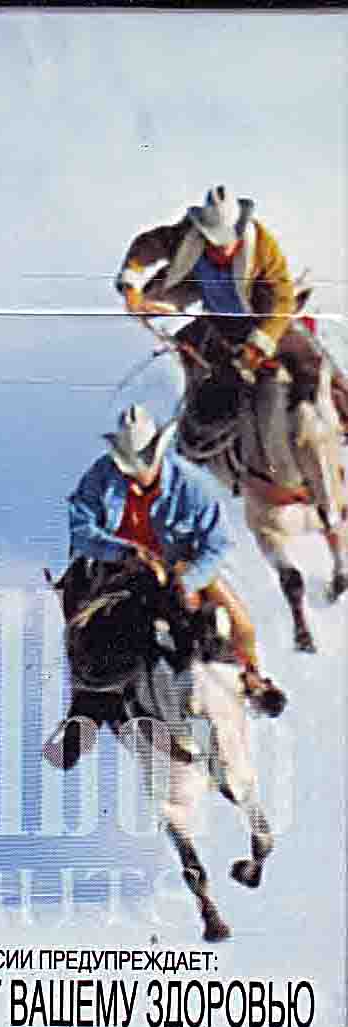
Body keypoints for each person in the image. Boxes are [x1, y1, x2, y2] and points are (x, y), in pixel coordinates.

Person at [66, 403, 286, 709]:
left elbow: (217, 543)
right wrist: (121, 551)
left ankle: (251, 676)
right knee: (83, 617)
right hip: (119, 566)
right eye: (129, 466)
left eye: (144, 463)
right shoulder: (101, 476)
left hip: (180, 566)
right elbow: (80, 527)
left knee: (238, 618)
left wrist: (190, 579)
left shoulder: (193, 484)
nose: (137, 473)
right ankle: (86, 694)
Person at [114, 185, 348, 430]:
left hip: (260, 319)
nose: (221, 248)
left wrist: (259, 344)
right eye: (213, 240)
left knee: (307, 360)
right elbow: (147, 245)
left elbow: (282, 298)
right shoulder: (186, 235)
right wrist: (132, 287)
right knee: (192, 357)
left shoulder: (263, 245)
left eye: (226, 241)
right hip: (217, 319)